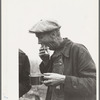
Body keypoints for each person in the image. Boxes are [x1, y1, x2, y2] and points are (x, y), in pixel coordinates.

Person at [29, 19, 96, 100]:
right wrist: (46, 61)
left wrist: (64, 80)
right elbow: (52, 82)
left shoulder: (78, 50)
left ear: (53, 34)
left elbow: (94, 84)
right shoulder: (55, 54)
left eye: (40, 37)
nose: (39, 42)